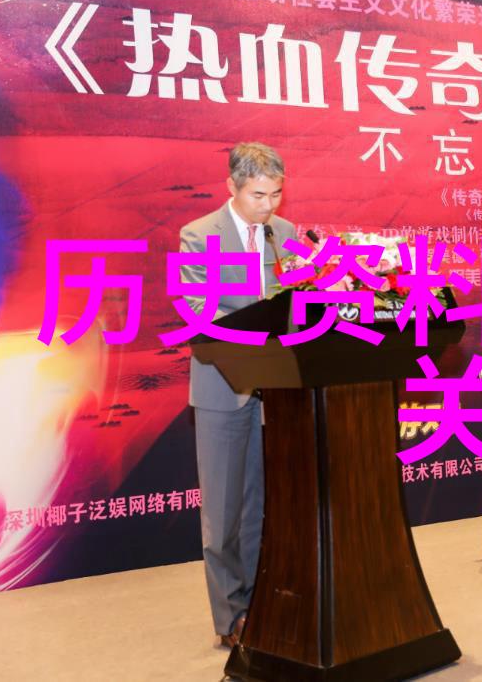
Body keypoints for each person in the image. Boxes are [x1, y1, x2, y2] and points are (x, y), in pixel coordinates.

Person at [180, 142, 298, 647]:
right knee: (224, 512)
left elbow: (298, 300)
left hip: (278, 389)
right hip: (223, 385)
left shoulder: (285, 234)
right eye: (257, 196)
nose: (268, 206)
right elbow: (198, 312)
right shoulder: (199, 235)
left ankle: (261, 601)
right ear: (231, 186)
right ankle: (231, 616)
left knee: (260, 506)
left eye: (275, 194)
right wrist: (262, 324)